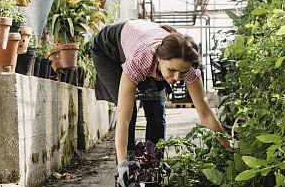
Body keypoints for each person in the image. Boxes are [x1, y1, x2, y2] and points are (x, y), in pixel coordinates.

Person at [91, 18, 230, 168]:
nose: (176, 78)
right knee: (129, 111)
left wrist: (229, 150)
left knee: (157, 112)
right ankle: (126, 166)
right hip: (109, 49)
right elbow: (123, 118)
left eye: (182, 72)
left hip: (141, 41)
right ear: (160, 58)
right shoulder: (140, 60)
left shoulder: (188, 67)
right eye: (172, 70)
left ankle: (154, 166)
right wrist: (122, 163)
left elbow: (206, 114)